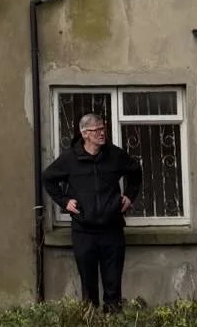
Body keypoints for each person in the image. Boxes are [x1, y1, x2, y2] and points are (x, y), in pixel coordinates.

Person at [42, 111, 143, 310]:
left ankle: (113, 322)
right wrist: (64, 202)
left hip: (112, 229)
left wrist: (129, 196)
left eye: (102, 128)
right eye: (96, 130)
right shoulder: (70, 159)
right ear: (85, 134)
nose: (101, 133)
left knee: (113, 283)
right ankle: (91, 324)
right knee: (88, 284)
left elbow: (136, 172)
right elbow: (48, 178)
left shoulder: (115, 155)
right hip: (84, 231)